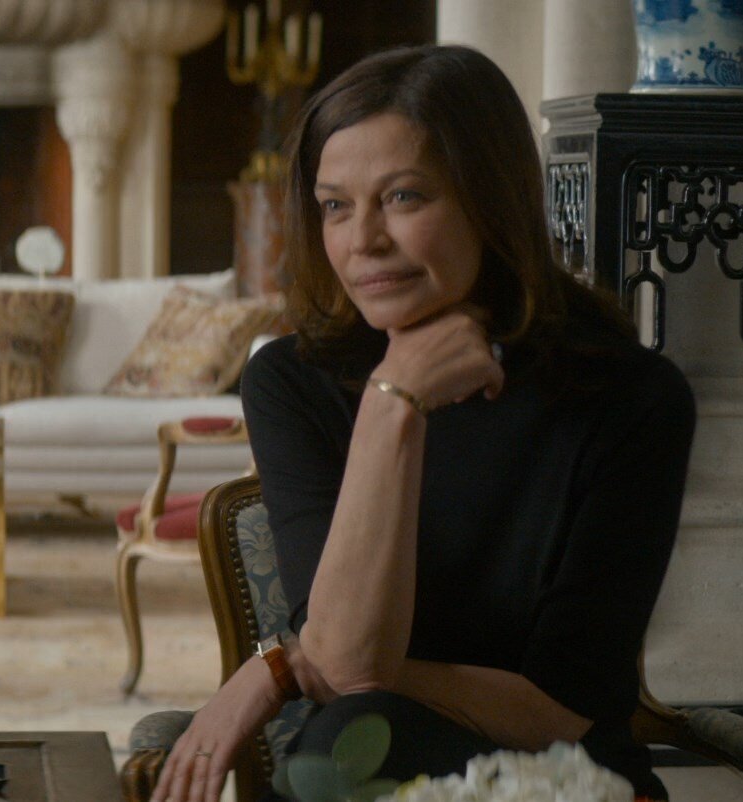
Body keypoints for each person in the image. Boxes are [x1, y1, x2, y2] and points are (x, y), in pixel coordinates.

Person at [153, 45, 693, 802]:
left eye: (403, 197)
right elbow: (347, 661)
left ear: (489, 200)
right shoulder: (292, 384)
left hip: (556, 780)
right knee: (353, 738)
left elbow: (557, 712)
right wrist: (392, 405)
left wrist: (284, 667)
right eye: (336, 206)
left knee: (349, 736)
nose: (362, 241)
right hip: (363, 762)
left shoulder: (632, 399)